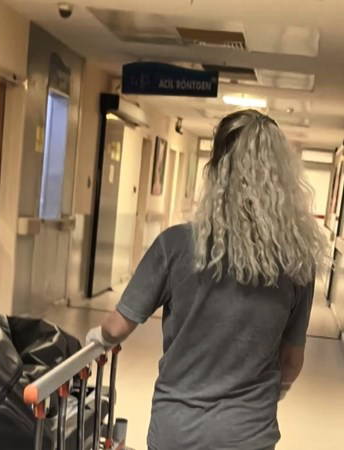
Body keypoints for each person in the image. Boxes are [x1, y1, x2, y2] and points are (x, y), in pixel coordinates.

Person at [86, 109, 325, 450]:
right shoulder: (297, 261)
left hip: (178, 430)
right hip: (249, 434)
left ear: (215, 170)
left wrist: (98, 337)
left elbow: (116, 328)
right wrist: (262, 397)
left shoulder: (175, 245)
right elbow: (290, 362)